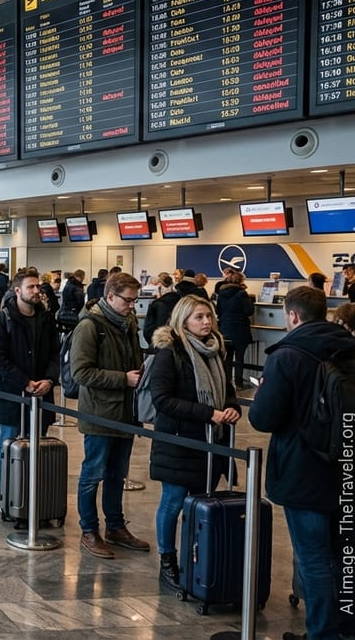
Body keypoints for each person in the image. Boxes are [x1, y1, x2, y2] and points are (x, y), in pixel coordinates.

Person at [249, 286, 355, 639]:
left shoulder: (288, 355)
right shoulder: (348, 347)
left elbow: (264, 418)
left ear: (292, 315)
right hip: (345, 464)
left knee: (314, 558)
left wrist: (264, 390)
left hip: (303, 469)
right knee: (344, 553)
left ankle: (323, 633)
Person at [147, 295, 241, 592]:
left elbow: (226, 390)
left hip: (209, 444)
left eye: (209, 316)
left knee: (200, 503)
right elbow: (162, 400)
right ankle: (167, 561)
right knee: (173, 502)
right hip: (177, 442)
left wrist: (231, 408)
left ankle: (194, 558)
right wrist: (208, 413)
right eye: (199, 317)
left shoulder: (216, 351)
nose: (206, 322)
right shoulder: (170, 352)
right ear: (183, 320)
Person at [70, 272, 148, 559]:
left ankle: (115, 526)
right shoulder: (90, 326)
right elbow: (81, 372)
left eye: (135, 301)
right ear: (111, 296)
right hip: (100, 414)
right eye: (128, 300)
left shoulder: (128, 323)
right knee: (93, 474)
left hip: (126, 413)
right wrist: (122, 379)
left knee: (118, 474)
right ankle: (89, 530)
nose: (132, 306)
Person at [0, 272, 59, 487]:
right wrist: (25, 383)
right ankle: (6, 492)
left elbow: (55, 353)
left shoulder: (46, 319)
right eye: (31, 287)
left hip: (41, 393)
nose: (37, 291)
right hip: (11, 395)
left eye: (38, 287)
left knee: (38, 444)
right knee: (8, 443)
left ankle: (31, 492)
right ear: (17, 291)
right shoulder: (2, 319)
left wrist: (49, 380)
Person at [214, 269, 254, 388]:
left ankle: (227, 383)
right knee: (240, 357)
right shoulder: (242, 293)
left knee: (228, 357)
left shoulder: (221, 294)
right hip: (240, 328)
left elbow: (218, 311)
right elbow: (249, 311)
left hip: (225, 328)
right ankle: (239, 383)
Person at [142, 273, 180, 346]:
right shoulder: (181, 302)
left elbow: (148, 330)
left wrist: (152, 343)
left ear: (160, 286)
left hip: (159, 342)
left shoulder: (156, 304)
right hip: (177, 342)